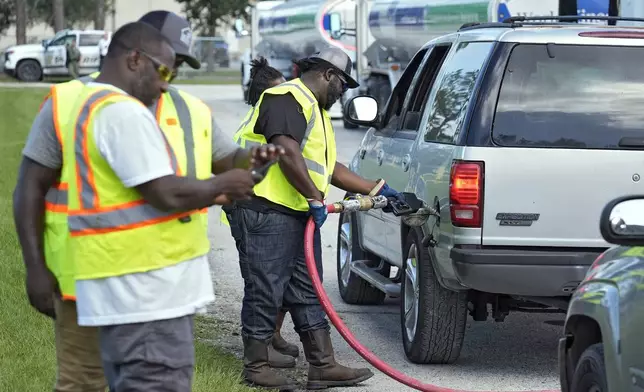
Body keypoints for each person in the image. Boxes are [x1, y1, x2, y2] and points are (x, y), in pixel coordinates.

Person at [13, 20, 280, 392]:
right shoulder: (80, 102)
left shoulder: (189, 108)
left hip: (165, 285)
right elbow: (30, 187)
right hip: (87, 280)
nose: (172, 78)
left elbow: (224, 162)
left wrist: (249, 162)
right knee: (85, 383)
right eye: (168, 64)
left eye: (180, 65)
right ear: (138, 55)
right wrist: (35, 267)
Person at [228, 47, 403, 390]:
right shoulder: (285, 97)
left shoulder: (314, 111)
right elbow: (286, 151)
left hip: (289, 211)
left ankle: (322, 365)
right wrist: (313, 196)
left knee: (308, 288)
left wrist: (378, 189)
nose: (344, 92)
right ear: (327, 74)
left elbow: (327, 167)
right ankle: (257, 365)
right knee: (266, 288)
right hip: (262, 207)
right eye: (342, 84)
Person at [225, 56, 302, 369]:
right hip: (254, 206)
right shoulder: (270, 118)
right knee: (262, 281)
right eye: (279, 91)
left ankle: (272, 335)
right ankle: (258, 350)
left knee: (275, 278)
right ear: (265, 95)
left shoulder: (264, 113)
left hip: (252, 203)